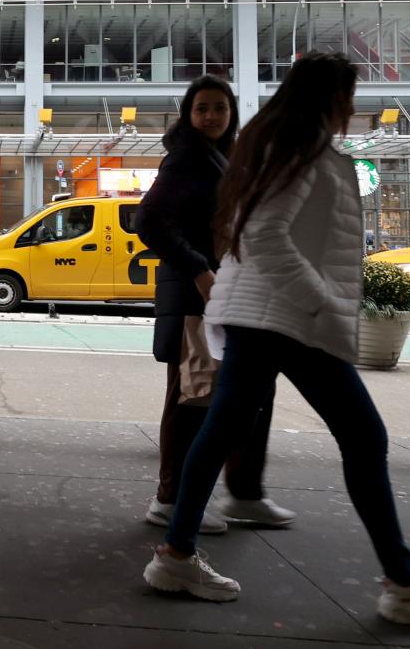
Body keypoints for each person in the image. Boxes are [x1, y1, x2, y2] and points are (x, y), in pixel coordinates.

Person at [141, 54, 410, 627]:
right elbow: (264, 236)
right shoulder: (299, 154)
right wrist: (321, 302)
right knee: (362, 435)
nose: (353, 109)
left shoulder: (274, 149)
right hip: (288, 319)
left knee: (224, 426)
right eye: (348, 98)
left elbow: (244, 232)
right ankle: (404, 584)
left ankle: (178, 554)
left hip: (265, 315)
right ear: (329, 99)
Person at [136, 76, 291, 537]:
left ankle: (243, 492)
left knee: (251, 391)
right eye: (201, 108)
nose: (210, 116)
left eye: (219, 107)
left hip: (228, 295)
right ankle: (170, 499)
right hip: (195, 299)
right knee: (193, 396)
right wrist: (200, 270)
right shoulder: (186, 158)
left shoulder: (222, 157)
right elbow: (149, 222)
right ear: (188, 114)